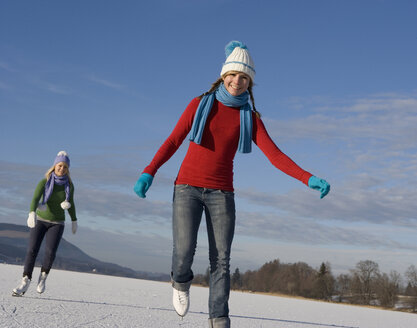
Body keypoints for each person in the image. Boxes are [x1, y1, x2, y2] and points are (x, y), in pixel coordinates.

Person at [133, 41, 330, 328]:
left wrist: (307, 178)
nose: (237, 81)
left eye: (244, 77)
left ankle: (219, 318)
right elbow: (174, 140)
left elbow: (275, 155)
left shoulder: (248, 118)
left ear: (249, 82)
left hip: (222, 193)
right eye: (233, 75)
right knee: (184, 250)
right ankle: (181, 280)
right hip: (186, 187)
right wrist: (148, 172)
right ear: (223, 75)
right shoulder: (200, 105)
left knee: (221, 260)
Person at [12, 151, 78, 296]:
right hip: (41, 220)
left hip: (57, 223)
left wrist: (74, 219)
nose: (62, 169)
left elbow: (71, 203)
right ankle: (25, 281)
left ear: (68, 169)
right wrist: (32, 212)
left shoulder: (69, 186)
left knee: (50, 252)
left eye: (65, 167)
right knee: (32, 250)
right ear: (55, 166)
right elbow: (35, 198)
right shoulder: (45, 181)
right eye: (60, 165)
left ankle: (42, 278)